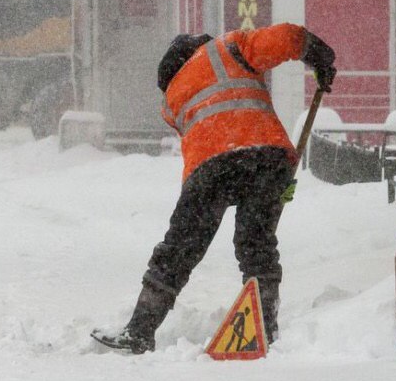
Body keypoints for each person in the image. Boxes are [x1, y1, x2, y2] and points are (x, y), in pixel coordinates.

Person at [91, 23, 336, 354]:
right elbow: (287, 38)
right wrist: (318, 53)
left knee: (178, 249)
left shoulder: (170, 103)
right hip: (268, 158)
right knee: (256, 243)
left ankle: (140, 329)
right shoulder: (229, 47)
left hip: (211, 168)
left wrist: (193, 205)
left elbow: (201, 142)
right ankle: (265, 327)